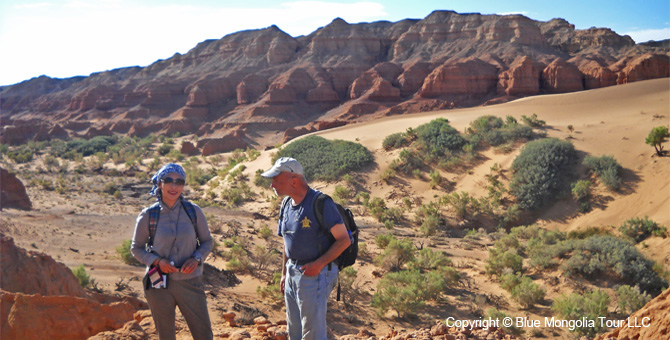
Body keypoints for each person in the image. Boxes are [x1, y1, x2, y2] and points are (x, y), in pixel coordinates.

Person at [261, 157, 351, 340]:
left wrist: (318, 265)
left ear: (294, 181)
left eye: (276, 180)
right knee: (295, 332)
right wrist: (284, 273)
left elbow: (344, 240)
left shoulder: (321, 203)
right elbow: (287, 243)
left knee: (312, 334)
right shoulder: (286, 205)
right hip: (293, 273)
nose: (272, 186)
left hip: (315, 275)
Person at [131, 163, 214, 340]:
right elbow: (136, 248)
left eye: (179, 181)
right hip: (157, 281)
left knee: (204, 334)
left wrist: (197, 258)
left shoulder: (193, 211)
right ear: (159, 184)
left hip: (190, 281)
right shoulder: (149, 215)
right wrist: (157, 262)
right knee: (166, 335)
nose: (174, 186)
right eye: (168, 180)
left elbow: (207, 241)